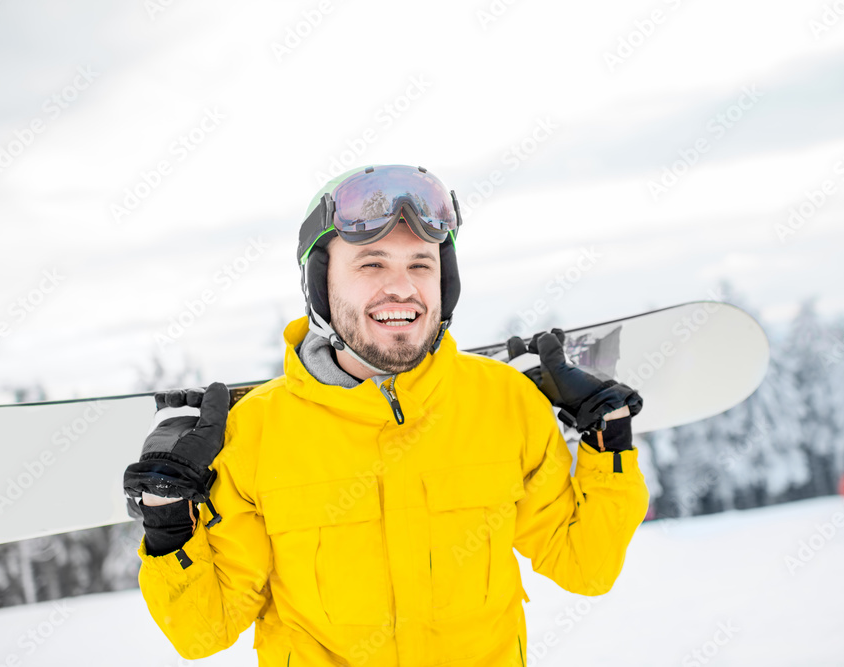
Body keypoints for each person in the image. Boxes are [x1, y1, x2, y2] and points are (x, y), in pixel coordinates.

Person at [123, 164, 649, 666]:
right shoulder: (256, 433)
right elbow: (202, 632)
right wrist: (168, 518)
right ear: (321, 285)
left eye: (421, 263)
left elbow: (587, 566)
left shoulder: (504, 402)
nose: (402, 287)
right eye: (372, 263)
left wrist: (609, 440)